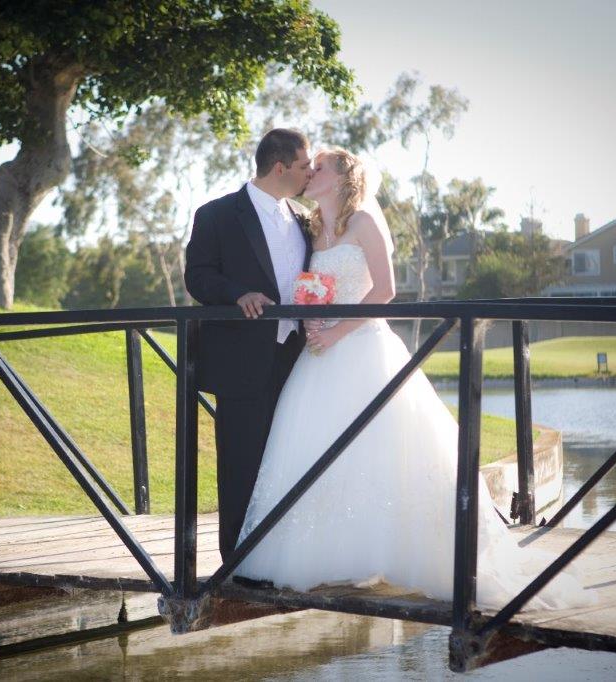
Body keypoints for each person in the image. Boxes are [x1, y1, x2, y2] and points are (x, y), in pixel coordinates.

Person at [233, 148, 594, 610]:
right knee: (315, 451)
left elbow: (385, 290)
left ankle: (405, 554)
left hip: (362, 349)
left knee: (381, 448)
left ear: (344, 178)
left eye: (319, 166)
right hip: (317, 358)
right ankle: (323, 558)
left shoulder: (362, 221)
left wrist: (339, 331)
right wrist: (310, 324)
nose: (310, 172)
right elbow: (308, 290)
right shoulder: (310, 228)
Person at [184, 128, 314, 561]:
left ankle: (280, 555)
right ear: (280, 167)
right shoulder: (217, 215)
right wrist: (237, 293)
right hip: (241, 360)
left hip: (296, 358)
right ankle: (236, 564)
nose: (309, 173)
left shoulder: (303, 220)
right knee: (241, 463)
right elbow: (198, 276)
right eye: (303, 165)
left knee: (288, 459)